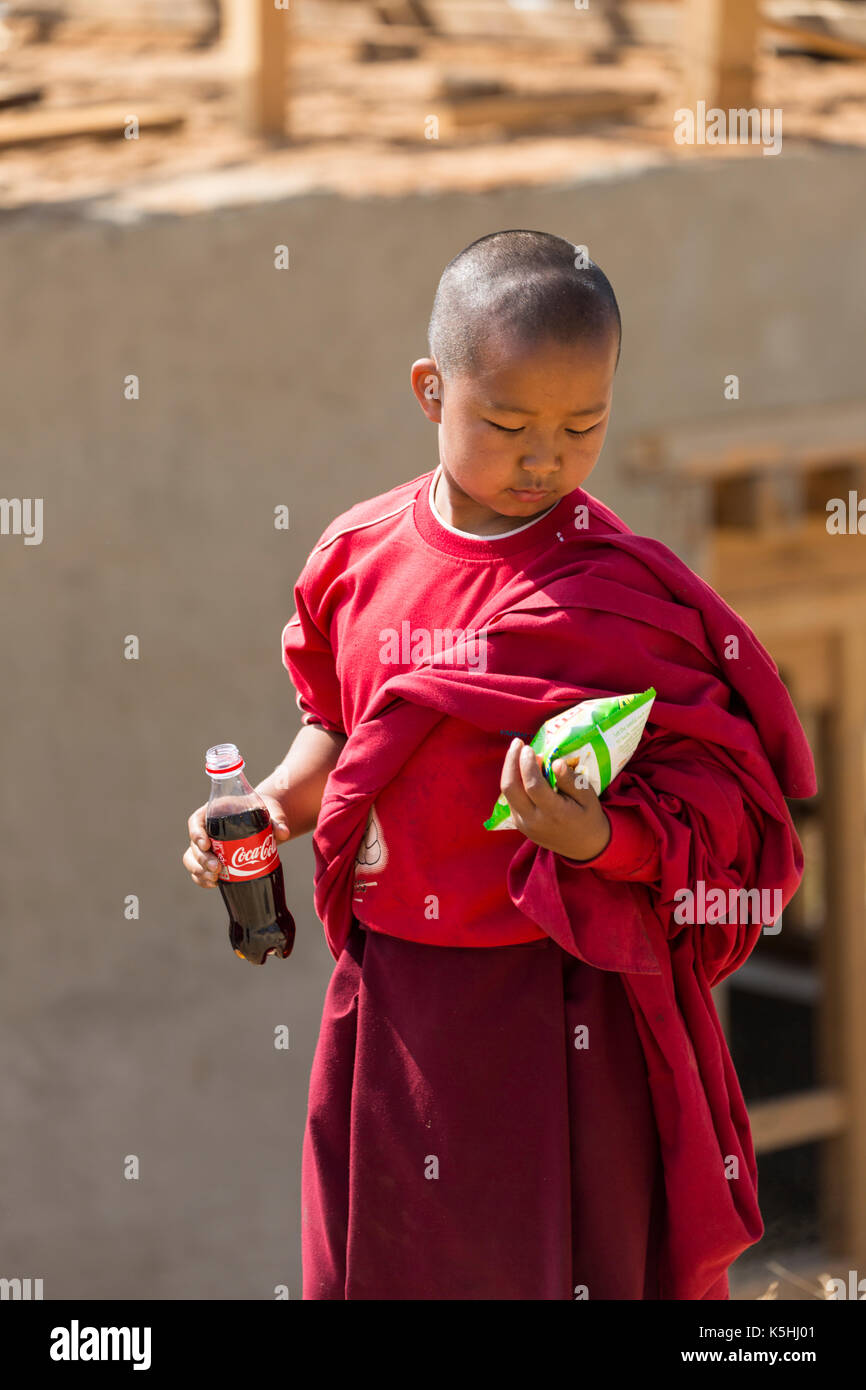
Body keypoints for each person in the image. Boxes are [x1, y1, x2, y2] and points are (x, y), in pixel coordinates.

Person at [183, 229, 815, 1300]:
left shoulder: (619, 591)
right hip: (399, 1002)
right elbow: (341, 727)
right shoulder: (356, 558)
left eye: (583, 427)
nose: (544, 460)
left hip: (563, 999)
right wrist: (270, 806)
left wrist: (596, 836)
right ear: (432, 390)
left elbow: (721, 797)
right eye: (509, 423)